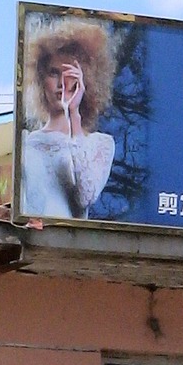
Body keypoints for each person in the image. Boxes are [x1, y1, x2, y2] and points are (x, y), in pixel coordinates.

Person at [21, 17, 117, 220]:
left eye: (70, 74)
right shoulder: (25, 142)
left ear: (86, 80)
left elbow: (85, 196)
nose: (62, 84)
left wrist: (73, 114)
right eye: (54, 73)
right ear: (40, 78)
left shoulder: (100, 144)